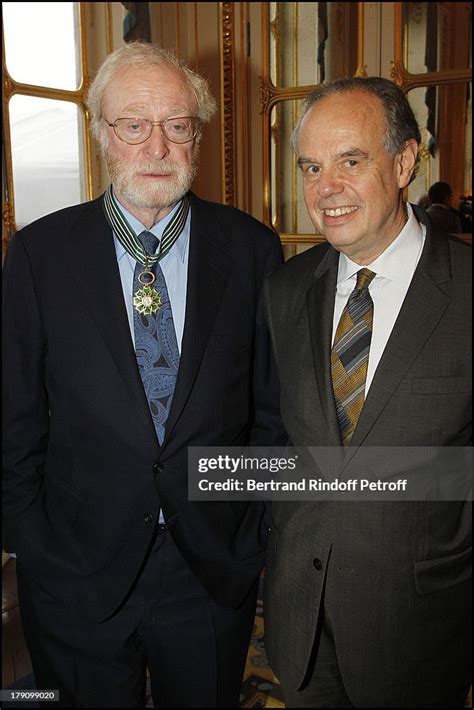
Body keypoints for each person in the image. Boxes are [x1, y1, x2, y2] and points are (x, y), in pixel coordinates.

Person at [2, 42, 285, 708]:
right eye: (134, 125)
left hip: (210, 572)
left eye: (178, 125)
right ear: (102, 133)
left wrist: (252, 534)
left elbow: (271, 413)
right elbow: (13, 423)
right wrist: (35, 550)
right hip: (76, 574)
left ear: (197, 136)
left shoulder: (250, 249)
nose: (157, 146)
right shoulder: (40, 255)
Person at [262, 77, 472, 707]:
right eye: (311, 166)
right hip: (302, 626)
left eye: (350, 161)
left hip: (421, 628)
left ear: (405, 161)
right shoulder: (285, 290)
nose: (326, 189)